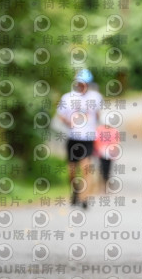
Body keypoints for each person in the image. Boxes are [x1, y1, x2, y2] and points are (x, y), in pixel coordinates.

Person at [56, 68, 103, 209]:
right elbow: (60, 115)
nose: (82, 86)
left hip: (88, 138)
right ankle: (75, 191)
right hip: (73, 137)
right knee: (71, 171)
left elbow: (98, 115)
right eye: (80, 83)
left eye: (85, 83)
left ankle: (84, 198)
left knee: (86, 168)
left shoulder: (96, 98)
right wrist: (68, 122)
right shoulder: (67, 98)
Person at [94, 119, 121, 189]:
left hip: (109, 152)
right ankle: (103, 180)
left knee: (107, 167)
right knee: (103, 166)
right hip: (101, 151)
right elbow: (96, 140)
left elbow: (116, 142)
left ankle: (106, 180)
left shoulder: (114, 131)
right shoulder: (99, 129)